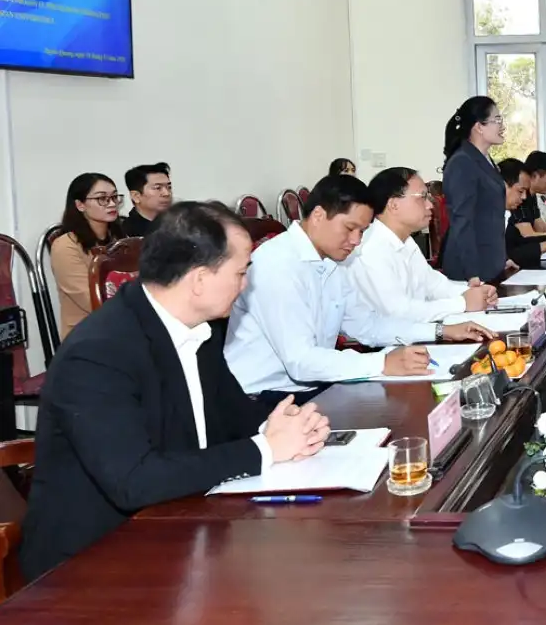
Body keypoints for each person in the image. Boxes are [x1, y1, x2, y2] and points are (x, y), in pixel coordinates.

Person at [20, 202, 331, 582]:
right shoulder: (98, 352)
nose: (246, 285)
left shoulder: (199, 329)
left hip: (189, 529)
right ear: (199, 280)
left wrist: (290, 429)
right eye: (240, 272)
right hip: (97, 564)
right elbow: (135, 481)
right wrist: (267, 448)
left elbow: (238, 419)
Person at [225, 175, 494, 409]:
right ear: (318, 216)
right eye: (349, 228)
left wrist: (441, 331)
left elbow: (367, 325)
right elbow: (301, 360)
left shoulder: (333, 260)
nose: (355, 241)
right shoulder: (277, 264)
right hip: (264, 399)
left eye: (362, 231)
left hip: (313, 387)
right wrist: (381, 363)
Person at [349, 167, 498, 322]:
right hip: (383, 343)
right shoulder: (370, 248)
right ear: (393, 205)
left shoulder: (406, 241)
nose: (430, 205)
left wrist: (476, 292)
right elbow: (398, 313)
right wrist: (462, 303)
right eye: (422, 197)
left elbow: (435, 286)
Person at [50, 173, 127, 338]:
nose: (112, 203)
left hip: (125, 322)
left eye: (114, 197)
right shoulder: (65, 246)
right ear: (80, 205)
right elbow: (91, 299)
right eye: (102, 199)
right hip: (87, 334)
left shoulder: (119, 238)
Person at [440, 97, 508, 282]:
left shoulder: (483, 159)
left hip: (490, 261)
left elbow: (489, 215)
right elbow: (462, 221)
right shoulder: (462, 162)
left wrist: (503, 257)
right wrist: (472, 273)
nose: (502, 126)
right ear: (479, 127)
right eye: (497, 120)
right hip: (471, 267)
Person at [499, 158, 546, 268]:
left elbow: (519, 243)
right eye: (520, 191)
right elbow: (525, 238)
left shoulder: (508, 211)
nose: (524, 197)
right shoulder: (488, 216)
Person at [121, 162, 173, 237]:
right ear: (136, 196)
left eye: (169, 187)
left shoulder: (179, 224)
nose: (166, 193)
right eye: (158, 188)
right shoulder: (126, 233)